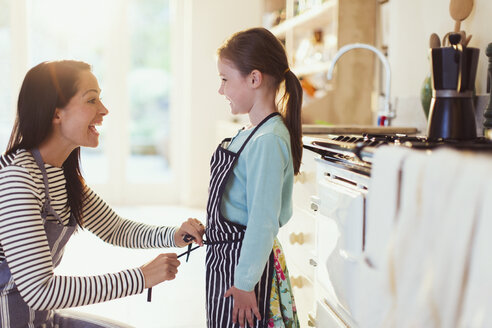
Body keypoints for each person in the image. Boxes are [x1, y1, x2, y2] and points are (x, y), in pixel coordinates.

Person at [0, 60, 205, 328]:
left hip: (42, 319)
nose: (104, 110)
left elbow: (116, 229)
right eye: (92, 100)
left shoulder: (62, 175)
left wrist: (174, 235)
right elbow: (40, 290)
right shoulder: (19, 178)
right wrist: (142, 277)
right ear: (56, 113)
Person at [205, 27, 302, 328]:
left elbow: (262, 219)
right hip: (228, 256)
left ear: (254, 79)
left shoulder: (268, 141)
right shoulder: (252, 133)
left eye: (224, 79)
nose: (221, 90)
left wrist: (246, 283)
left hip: (244, 264)